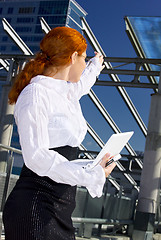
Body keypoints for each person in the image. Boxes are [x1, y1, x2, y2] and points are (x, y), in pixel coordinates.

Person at [3, 26, 116, 240]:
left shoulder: (64, 93)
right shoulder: (35, 94)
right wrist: (90, 175)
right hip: (36, 208)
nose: (84, 65)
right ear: (73, 57)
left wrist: (95, 65)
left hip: (60, 208)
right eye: (83, 59)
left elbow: (83, 84)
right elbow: (37, 156)